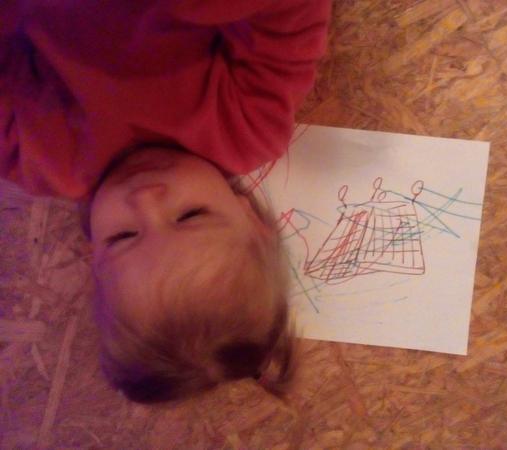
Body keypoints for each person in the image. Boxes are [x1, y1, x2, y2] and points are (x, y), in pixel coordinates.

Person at [0, 0, 331, 402]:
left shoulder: (44, 161)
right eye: (190, 215)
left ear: (93, 254)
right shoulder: (248, 126)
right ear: (251, 218)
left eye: (124, 236)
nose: (145, 199)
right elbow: (291, 14)